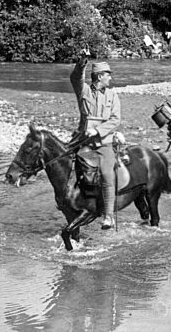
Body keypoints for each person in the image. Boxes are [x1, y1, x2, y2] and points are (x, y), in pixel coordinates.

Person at [70, 56, 121, 230]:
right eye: (108, 75)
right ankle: (66, 203)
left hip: (104, 143)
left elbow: (115, 120)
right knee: (62, 164)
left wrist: (97, 131)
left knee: (107, 174)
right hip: (83, 141)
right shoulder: (83, 90)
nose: (110, 78)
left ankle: (108, 216)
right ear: (99, 76)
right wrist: (82, 62)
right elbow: (75, 77)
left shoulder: (113, 95)